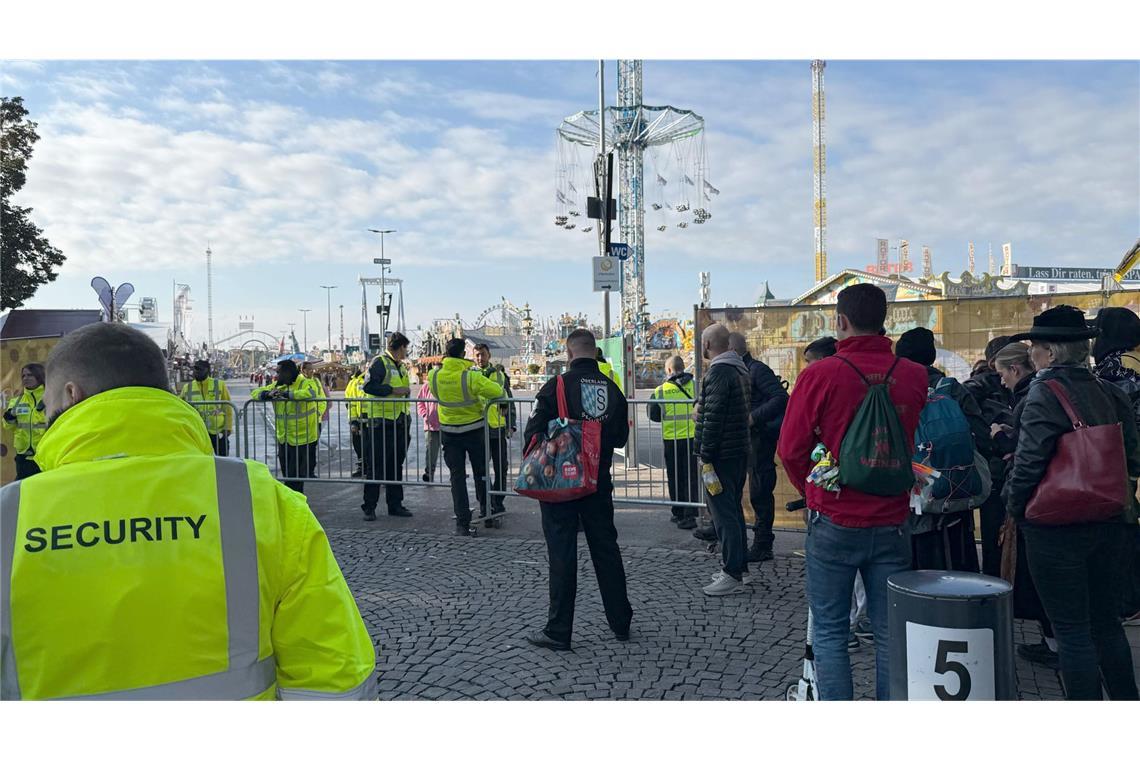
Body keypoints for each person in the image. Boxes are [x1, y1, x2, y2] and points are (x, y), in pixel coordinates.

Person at [0, 322, 375, 700]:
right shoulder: (264, 502)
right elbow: (334, 678)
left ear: (70, 394)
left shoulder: (10, 518)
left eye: (47, 403)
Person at [778, 283, 928, 700]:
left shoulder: (820, 375)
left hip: (835, 516)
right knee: (889, 633)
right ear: (884, 321)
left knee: (828, 630)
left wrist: (815, 490)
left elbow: (791, 449)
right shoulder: (914, 375)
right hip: (893, 517)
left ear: (840, 321)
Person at [1002, 304, 1140, 700]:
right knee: (1107, 624)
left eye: (1035, 348)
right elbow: (1134, 459)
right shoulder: (1110, 391)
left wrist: (1015, 509)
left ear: (1047, 352)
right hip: (1111, 520)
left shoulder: (1044, 392)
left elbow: (1028, 463)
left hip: (1055, 526)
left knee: (1072, 630)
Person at [524, 329, 632, 650]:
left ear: (569, 354)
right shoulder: (613, 389)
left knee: (562, 553)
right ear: (595, 352)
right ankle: (621, 622)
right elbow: (620, 439)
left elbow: (533, 433)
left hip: (562, 484)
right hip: (598, 483)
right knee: (606, 550)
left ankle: (559, 630)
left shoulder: (556, 386)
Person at [894, 327, 989, 572]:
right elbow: (981, 438)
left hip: (913, 498)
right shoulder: (952, 389)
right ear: (932, 356)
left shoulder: (893, 390)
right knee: (956, 569)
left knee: (915, 573)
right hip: (955, 498)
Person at [990, 341, 1059, 669]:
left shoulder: (1033, 396)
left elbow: (1026, 454)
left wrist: (999, 438)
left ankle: (1058, 648)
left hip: (1039, 501)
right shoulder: (1062, 389)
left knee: (1045, 584)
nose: (1001, 380)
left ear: (1016, 369)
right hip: (1061, 498)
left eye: (1002, 373)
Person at [1090, 307, 1140, 627]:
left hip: (1126, 463)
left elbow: (1113, 421)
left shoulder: (1116, 368)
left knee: (1126, 533)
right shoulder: (1134, 359)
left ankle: (1129, 601)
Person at [695, 323, 753, 596]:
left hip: (719, 456)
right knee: (733, 511)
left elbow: (713, 419)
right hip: (738, 451)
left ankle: (732, 572)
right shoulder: (739, 369)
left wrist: (705, 455)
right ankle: (739, 568)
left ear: (707, 345)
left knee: (723, 514)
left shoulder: (718, 372)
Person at [430, 338, 504, 534]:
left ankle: (462, 522)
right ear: (464, 354)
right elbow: (497, 390)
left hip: (448, 432)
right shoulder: (470, 377)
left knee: (457, 477)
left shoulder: (434, 375)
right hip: (474, 431)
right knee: (481, 473)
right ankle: (486, 512)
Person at [728, 331, 789, 564]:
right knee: (745, 490)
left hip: (759, 440)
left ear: (733, 350)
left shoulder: (756, 369)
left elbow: (780, 397)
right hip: (744, 440)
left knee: (760, 492)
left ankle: (763, 544)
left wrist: (753, 418)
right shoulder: (739, 370)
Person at [963, 335, 1015, 576]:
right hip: (998, 469)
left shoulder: (977, 387)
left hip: (992, 470)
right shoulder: (984, 385)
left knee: (994, 531)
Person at [359, 333, 414, 520]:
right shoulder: (380, 362)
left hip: (398, 422)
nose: (407, 351)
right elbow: (368, 387)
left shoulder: (400, 366)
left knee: (395, 466)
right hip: (380, 423)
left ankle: (395, 504)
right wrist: (393, 390)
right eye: (405, 348)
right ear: (399, 348)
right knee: (376, 467)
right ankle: (369, 506)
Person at [648, 355, 699, 529]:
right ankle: (692, 512)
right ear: (683, 367)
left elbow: (653, 414)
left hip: (672, 439)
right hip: (693, 438)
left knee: (676, 477)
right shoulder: (696, 386)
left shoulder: (660, 390)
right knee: (692, 475)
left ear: (669, 370)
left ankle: (678, 512)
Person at [252, 360, 319, 493]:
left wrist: (288, 395)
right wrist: (267, 394)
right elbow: (255, 393)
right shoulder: (278, 386)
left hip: (302, 438)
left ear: (288, 372)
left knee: (295, 478)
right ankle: (293, 502)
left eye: (279, 372)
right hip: (284, 438)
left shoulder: (305, 382)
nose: (277, 375)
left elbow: (311, 393)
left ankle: (296, 505)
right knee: (288, 474)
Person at [474, 344, 516, 519]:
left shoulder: (499, 375)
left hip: (497, 428)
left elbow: (509, 399)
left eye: (482, 355)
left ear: (489, 355)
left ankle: (498, 501)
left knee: (501, 467)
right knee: (481, 470)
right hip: (477, 429)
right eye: (477, 355)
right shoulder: (470, 375)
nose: (479, 358)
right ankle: (485, 503)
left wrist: (511, 424)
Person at [179, 359, 233, 456]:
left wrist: (227, 427)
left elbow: (227, 407)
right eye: (195, 369)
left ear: (207, 370)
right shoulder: (187, 387)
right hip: (197, 432)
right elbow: (181, 408)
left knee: (223, 462)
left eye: (199, 369)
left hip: (218, 432)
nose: (196, 372)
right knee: (201, 462)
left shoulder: (219, 384)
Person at [3, 364, 47, 480]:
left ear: (39, 376)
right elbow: (7, 426)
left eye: (30, 375)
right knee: (23, 491)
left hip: (44, 454)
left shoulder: (50, 399)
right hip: (23, 457)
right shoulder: (16, 401)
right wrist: (9, 418)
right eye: (23, 376)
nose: (25, 378)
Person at [416, 364, 442, 483]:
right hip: (431, 425)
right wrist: (425, 414)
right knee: (431, 451)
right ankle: (429, 473)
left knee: (452, 451)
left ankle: (456, 472)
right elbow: (419, 402)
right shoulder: (427, 386)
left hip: (447, 424)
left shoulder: (446, 385)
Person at [345, 367, 365, 477]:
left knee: (363, 445)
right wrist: (354, 422)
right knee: (359, 445)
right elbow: (350, 403)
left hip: (366, 419)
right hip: (360, 419)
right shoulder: (355, 383)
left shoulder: (354, 382)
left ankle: (365, 467)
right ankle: (363, 467)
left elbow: (349, 403)